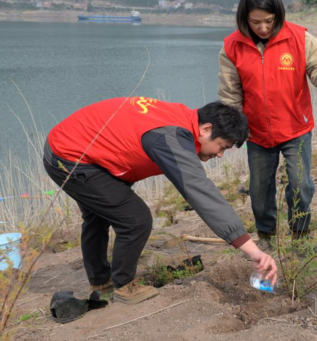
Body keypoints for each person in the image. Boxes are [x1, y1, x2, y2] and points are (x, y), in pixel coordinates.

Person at [44, 99, 277, 304]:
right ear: (206, 129)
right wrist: (252, 250)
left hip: (74, 148)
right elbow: (200, 192)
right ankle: (123, 287)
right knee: (135, 220)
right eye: (222, 147)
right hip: (71, 158)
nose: (219, 155)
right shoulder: (170, 137)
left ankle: (101, 283)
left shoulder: (181, 120)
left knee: (100, 216)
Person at [218, 0, 317, 246]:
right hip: (257, 133)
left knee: (301, 184)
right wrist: (234, 130)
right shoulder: (232, 47)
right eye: (255, 22)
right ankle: (266, 235)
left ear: (278, 14)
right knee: (259, 190)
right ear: (244, 18)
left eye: (269, 21)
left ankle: (299, 233)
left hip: (295, 129)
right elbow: (231, 96)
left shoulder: (300, 38)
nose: (263, 28)